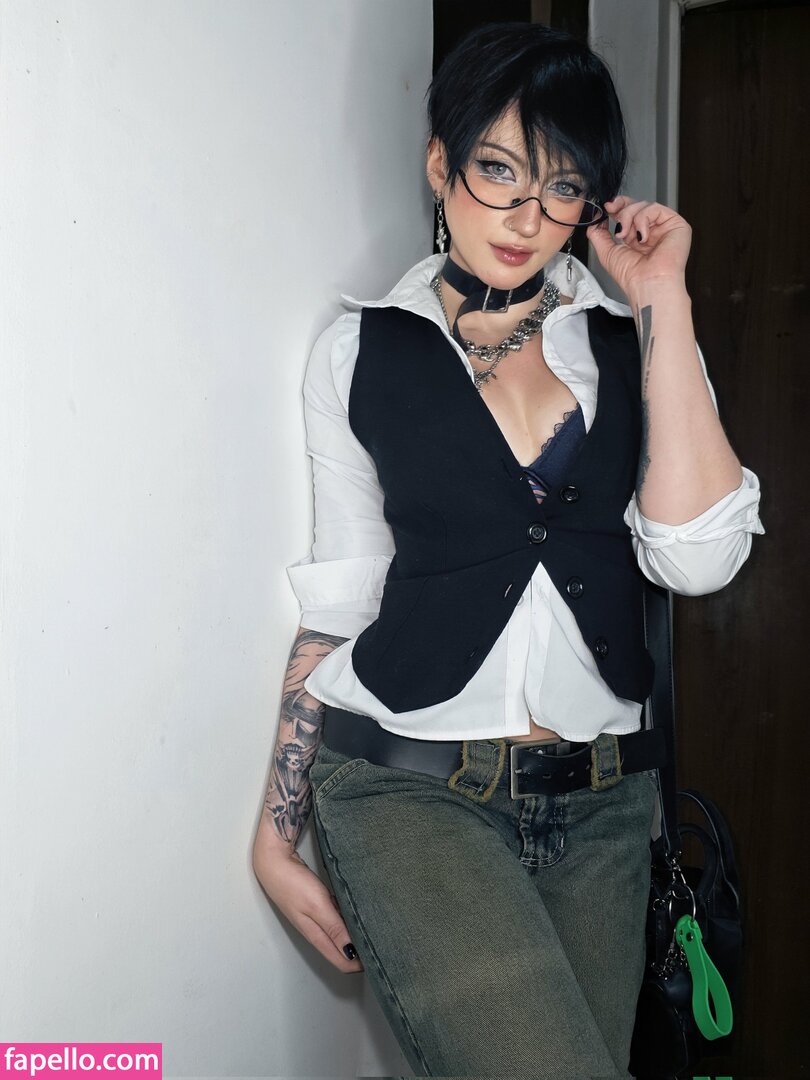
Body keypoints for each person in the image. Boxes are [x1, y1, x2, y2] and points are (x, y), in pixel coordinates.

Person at [252, 22, 763, 1078]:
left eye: (563, 187)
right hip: (411, 797)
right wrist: (276, 829)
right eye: (497, 172)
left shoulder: (635, 338)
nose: (529, 219)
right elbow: (342, 602)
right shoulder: (359, 350)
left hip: (608, 810)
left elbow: (698, 560)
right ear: (439, 163)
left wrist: (663, 297)